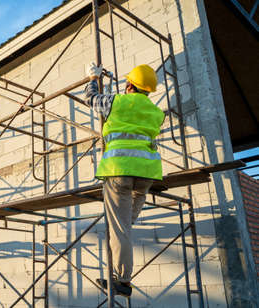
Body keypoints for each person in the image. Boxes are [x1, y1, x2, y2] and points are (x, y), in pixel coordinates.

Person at [84, 63, 165, 297]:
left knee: (119, 230)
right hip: (147, 173)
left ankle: (123, 281)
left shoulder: (116, 101)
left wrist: (92, 77)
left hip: (120, 171)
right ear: (148, 90)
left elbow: (91, 98)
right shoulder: (156, 113)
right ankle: (122, 275)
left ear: (129, 85)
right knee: (125, 227)